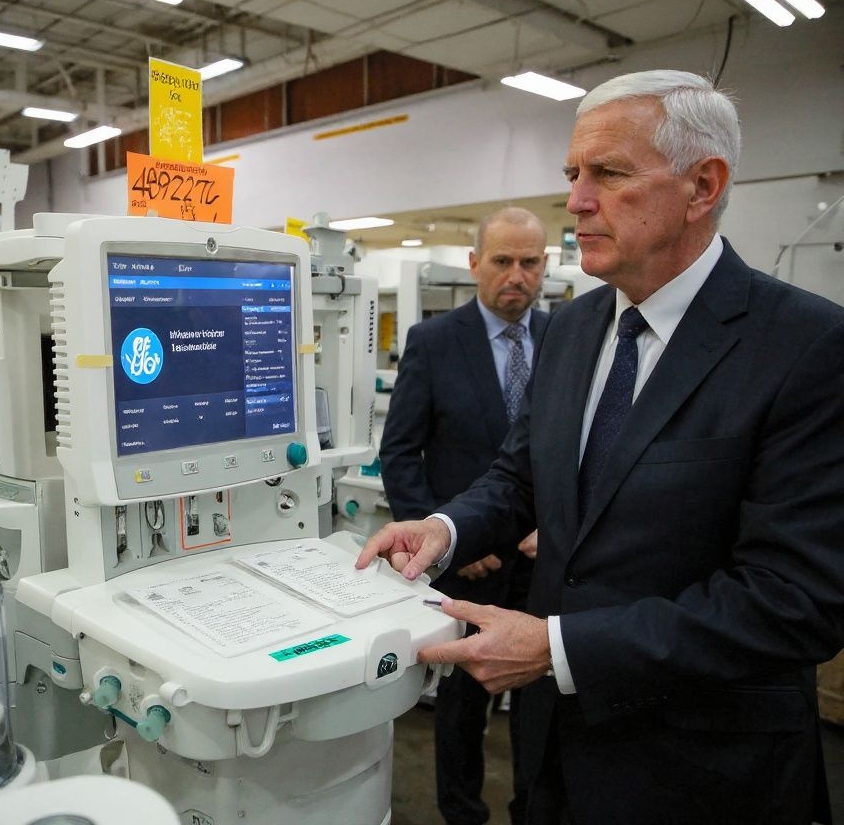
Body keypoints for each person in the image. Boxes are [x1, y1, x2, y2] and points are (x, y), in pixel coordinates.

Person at [358, 70, 844, 825]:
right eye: (573, 175)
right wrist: (446, 529)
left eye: (609, 174)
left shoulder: (805, 346)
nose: (578, 202)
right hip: (554, 746)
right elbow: (521, 473)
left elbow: (795, 601)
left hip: (700, 769)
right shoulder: (579, 328)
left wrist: (558, 648)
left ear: (702, 186)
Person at [379, 206, 549, 825]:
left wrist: (547, 528)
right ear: (475, 263)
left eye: (530, 262)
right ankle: (461, 811)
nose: (516, 276)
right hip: (465, 564)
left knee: (542, 700)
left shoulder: (567, 341)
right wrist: (450, 539)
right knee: (462, 700)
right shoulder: (434, 342)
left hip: (542, 563)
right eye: (502, 261)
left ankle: (533, 807)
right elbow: (399, 454)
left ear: (545, 267)